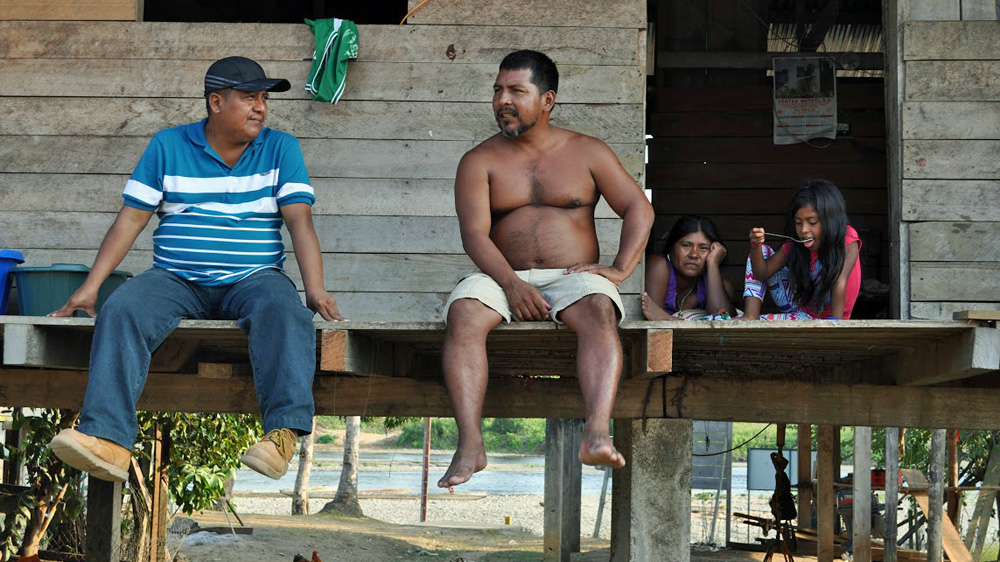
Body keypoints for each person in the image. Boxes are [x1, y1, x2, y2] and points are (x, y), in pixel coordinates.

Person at [47, 56, 344, 483]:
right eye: (249, 98)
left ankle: (281, 436)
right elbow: (130, 220)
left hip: (255, 278)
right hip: (175, 278)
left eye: (264, 99)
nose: (261, 108)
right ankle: (108, 440)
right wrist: (91, 288)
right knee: (123, 309)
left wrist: (315, 289)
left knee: (285, 310)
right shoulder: (167, 146)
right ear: (216, 102)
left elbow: (300, 222)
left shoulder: (281, 148)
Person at [437, 50, 655, 488]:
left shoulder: (587, 151)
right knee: (463, 311)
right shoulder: (479, 160)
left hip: (572, 277)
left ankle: (596, 432)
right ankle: (471, 444)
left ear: (547, 99)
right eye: (498, 90)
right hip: (501, 277)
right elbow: (474, 235)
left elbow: (639, 208)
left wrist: (619, 270)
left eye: (517, 91)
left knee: (600, 307)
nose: (503, 100)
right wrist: (511, 284)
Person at [742, 179, 861, 320]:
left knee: (762, 325)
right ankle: (750, 316)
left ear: (831, 220)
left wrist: (834, 324)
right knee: (761, 251)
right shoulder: (796, 245)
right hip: (801, 307)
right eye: (798, 223)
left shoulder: (846, 239)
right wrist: (756, 246)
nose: (804, 230)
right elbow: (761, 273)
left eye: (812, 222)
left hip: (828, 318)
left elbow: (839, 280)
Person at [641, 215, 734, 321]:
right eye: (686, 245)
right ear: (672, 247)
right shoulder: (658, 266)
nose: (694, 254)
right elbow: (652, 321)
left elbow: (724, 319)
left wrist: (713, 264)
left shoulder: (718, 284)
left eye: (703, 248)